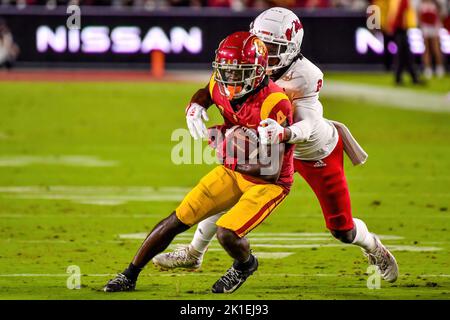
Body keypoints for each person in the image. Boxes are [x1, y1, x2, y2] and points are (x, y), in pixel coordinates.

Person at [153, 7, 399, 283]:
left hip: (313, 150)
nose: (264, 51)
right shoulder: (250, 58)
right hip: (270, 148)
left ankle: (372, 246)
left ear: (291, 47)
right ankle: (193, 253)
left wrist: (283, 132)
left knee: (341, 229)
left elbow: (307, 123)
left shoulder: (305, 74)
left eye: (273, 46)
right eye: (261, 42)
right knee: (231, 191)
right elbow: (214, 86)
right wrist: (196, 105)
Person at [104, 31, 295, 293]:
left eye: (238, 72)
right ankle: (129, 274)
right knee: (179, 218)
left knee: (226, 233)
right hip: (234, 170)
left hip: (268, 183)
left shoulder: (274, 103)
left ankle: (245, 265)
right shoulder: (223, 83)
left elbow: (272, 171)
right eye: (225, 70)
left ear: (259, 71)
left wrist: (228, 154)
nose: (229, 78)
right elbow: (208, 91)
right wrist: (196, 104)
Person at [387, 0, 421, 85]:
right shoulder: (401, 1)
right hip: (401, 29)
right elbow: (399, 13)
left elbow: (394, 13)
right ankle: (409, 78)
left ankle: (405, 78)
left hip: (400, 29)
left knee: (404, 54)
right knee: (403, 54)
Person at [418, 0, 446, 79]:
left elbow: (441, 14)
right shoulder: (421, 3)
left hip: (434, 26)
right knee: (426, 48)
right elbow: (419, 15)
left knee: (436, 48)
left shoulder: (436, 3)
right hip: (425, 26)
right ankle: (428, 69)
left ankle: (439, 67)